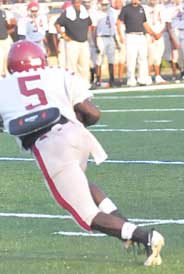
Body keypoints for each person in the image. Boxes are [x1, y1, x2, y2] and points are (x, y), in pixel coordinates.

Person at [0, 40, 165, 265]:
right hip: (78, 136)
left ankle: (145, 237)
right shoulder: (58, 73)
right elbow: (93, 113)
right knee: (82, 184)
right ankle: (124, 226)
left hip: (48, 145)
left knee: (86, 216)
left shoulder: (4, 86)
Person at [117, 0, 160, 87]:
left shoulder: (141, 8)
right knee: (131, 58)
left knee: (143, 58)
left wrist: (153, 34)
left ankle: (142, 78)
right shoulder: (126, 9)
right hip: (130, 35)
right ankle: (131, 79)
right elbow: (118, 22)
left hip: (141, 36)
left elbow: (144, 23)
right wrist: (120, 36)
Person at [55, 0, 93, 86]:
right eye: (76, 2)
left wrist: (88, 35)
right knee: (71, 65)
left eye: (79, 2)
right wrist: (64, 35)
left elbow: (89, 24)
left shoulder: (84, 12)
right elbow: (57, 24)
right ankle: (72, 84)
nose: (77, 3)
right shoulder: (67, 12)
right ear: (73, 3)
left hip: (84, 42)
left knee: (84, 64)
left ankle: (85, 84)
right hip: (73, 42)